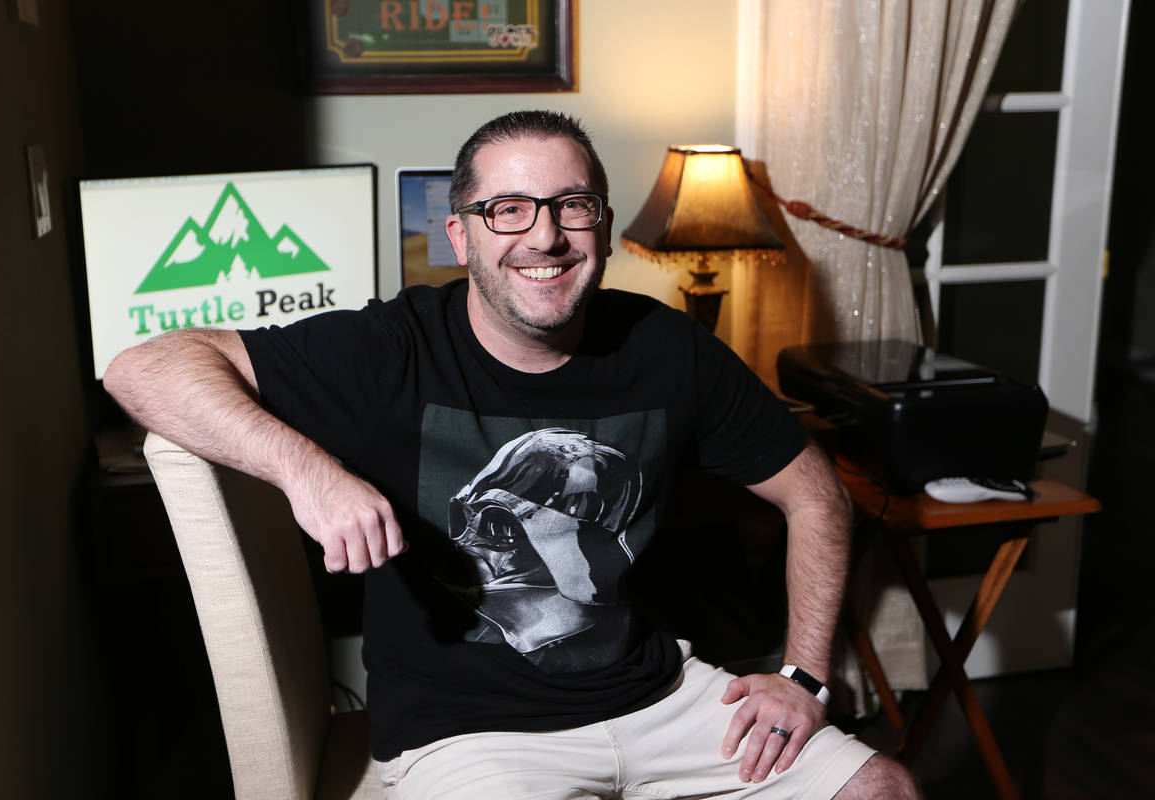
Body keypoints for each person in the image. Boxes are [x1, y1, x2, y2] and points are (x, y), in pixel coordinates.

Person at [105, 110, 919, 799]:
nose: (546, 236)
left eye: (573, 205)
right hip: (469, 735)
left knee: (880, 787)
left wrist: (805, 677)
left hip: (659, 696)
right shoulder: (392, 347)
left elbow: (817, 496)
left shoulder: (670, 348)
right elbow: (141, 366)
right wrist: (307, 473)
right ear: (459, 234)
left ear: (600, 225)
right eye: (509, 210)